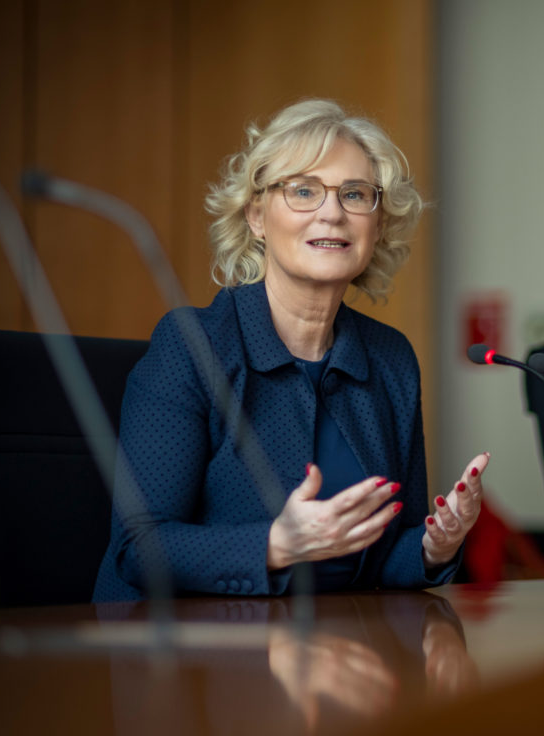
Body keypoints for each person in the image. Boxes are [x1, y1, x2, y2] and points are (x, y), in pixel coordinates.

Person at [93, 99, 487, 601]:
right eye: (304, 191)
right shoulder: (192, 346)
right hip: (192, 662)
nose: (332, 213)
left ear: (378, 223)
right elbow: (138, 547)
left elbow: (386, 557)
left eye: (354, 194)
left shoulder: (390, 359)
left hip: (339, 651)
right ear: (257, 216)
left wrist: (436, 545)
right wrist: (276, 545)